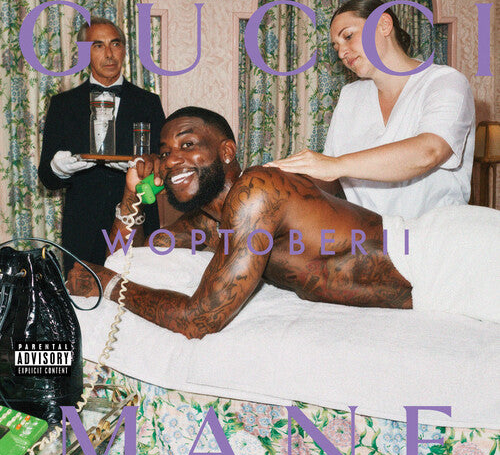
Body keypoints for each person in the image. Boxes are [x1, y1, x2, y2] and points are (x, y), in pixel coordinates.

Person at [66, 107, 499, 338]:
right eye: (164, 152)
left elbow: (201, 319)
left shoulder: (257, 191)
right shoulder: (210, 224)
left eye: (188, 144)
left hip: (451, 256)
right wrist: (132, 194)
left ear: (227, 152)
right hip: (433, 288)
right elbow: (130, 258)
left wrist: (109, 285)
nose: (172, 159)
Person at [265, 0, 475, 219]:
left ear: (384, 25)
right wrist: (283, 179)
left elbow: (429, 151)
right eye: (336, 46)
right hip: (370, 235)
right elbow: (330, 179)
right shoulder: (350, 96)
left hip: (436, 232)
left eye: (348, 36)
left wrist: (335, 165)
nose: (341, 53)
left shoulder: (445, 81)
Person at [38, 17, 165, 273]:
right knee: (83, 295)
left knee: (137, 291)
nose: (109, 54)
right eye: (98, 45)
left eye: (115, 44)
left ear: (124, 50)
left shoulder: (148, 102)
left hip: (137, 223)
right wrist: (59, 168)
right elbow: (47, 179)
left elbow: (164, 167)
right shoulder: (63, 105)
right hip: (82, 231)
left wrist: (148, 171)